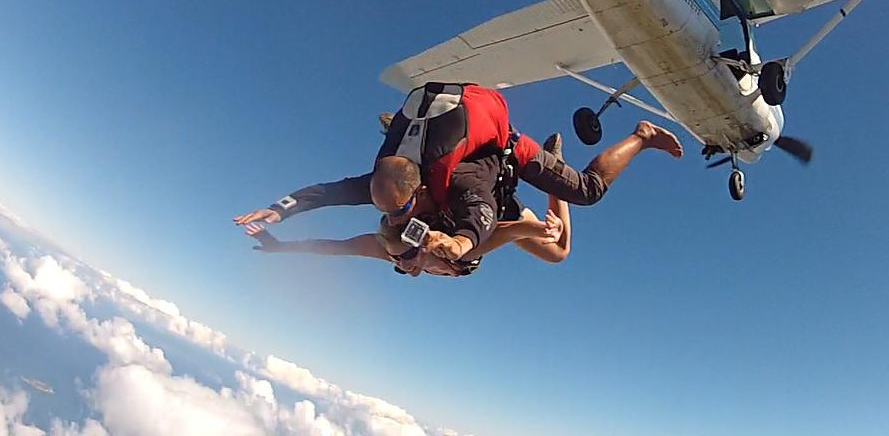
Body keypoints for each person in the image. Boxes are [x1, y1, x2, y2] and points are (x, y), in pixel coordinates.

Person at [234, 82, 681, 263]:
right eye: (402, 263)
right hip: (479, 205)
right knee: (559, 251)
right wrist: (280, 218)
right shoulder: (388, 197)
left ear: (421, 191)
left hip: (503, 160)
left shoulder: (460, 188)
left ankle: (641, 134)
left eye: (403, 261)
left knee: (584, 196)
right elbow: (331, 208)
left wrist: (460, 242)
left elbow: (480, 217)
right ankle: (553, 177)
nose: (405, 267)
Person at [243, 192, 571, 278]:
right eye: (437, 272)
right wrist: (540, 228)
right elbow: (511, 231)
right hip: (493, 213)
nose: (415, 272)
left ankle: (555, 174)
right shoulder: (461, 252)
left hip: (481, 207)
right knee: (558, 252)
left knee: (558, 252)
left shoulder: (389, 251)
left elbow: (333, 248)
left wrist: (280, 247)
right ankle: (555, 174)